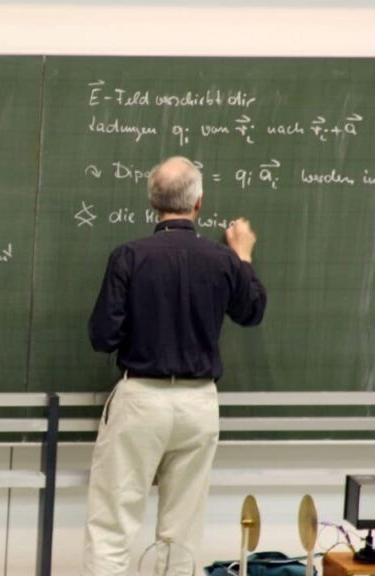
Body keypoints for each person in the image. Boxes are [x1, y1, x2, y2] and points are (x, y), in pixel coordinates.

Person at [82, 156, 267, 576]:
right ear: (198, 202)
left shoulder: (128, 257)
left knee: (112, 523)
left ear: (153, 202)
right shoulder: (222, 260)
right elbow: (252, 311)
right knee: (182, 529)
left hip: (140, 399)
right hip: (198, 404)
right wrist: (242, 256)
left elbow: (102, 337)